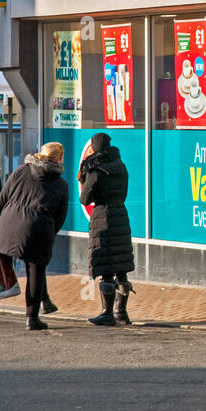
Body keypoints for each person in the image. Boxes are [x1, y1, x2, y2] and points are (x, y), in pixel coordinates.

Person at [0, 142, 69, 331]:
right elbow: (60, 216)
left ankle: (46, 300)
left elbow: (3, 197)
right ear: (58, 158)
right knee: (36, 271)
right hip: (39, 229)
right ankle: (32, 317)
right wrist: (49, 232)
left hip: (10, 224)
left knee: (28, 264)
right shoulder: (60, 184)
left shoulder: (21, 171)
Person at [78, 133, 135, 326]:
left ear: (94, 148)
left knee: (106, 268)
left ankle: (107, 313)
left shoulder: (95, 171)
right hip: (120, 213)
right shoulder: (121, 167)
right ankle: (122, 312)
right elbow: (125, 193)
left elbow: (84, 199)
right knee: (121, 267)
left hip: (102, 216)